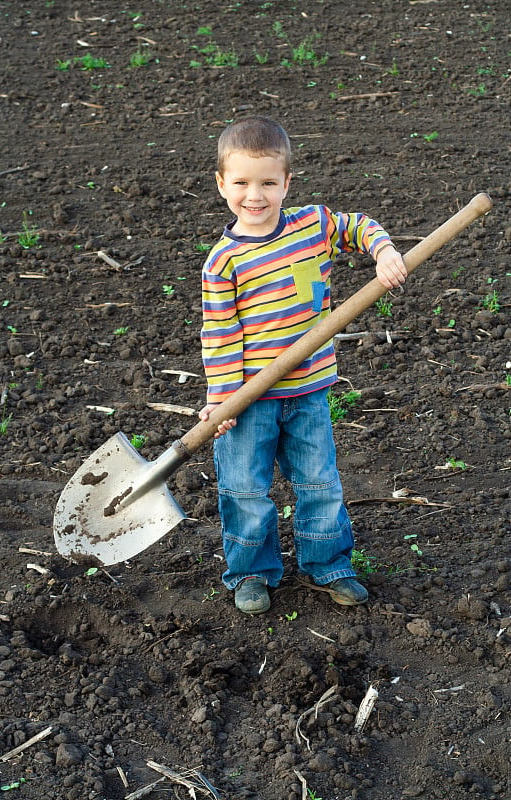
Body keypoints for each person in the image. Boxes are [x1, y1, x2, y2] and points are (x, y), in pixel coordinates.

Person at [198, 116, 407, 615]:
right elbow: (220, 338)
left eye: (268, 182)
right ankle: (250, 572)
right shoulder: (222, 264)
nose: (256, 194)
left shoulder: (311, 225)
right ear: (222, 184)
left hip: (309, 389)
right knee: (246, 489)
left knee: (319, 482)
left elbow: (359, 225)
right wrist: (222, 400)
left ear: (286, 183)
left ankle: (329, 565)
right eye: (243, 182)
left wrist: (383, 252)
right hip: (251, 398)